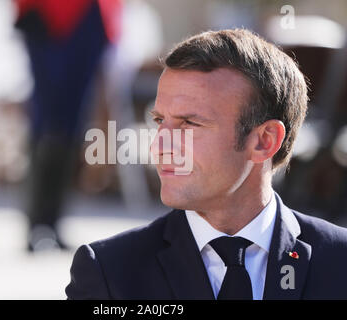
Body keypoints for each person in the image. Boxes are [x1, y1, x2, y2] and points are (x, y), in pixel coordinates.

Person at [65, 29, 347, 299]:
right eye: (160, 121)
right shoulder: (110, 273)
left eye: (189, 123)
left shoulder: (339, 262)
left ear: (264, 141)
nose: (159, 146)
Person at [15, 0, 121, 251]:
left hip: (90, 20)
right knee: (47, 125)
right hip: (48, 17)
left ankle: (55, 221)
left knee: (73, 126)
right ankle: (35, 224)